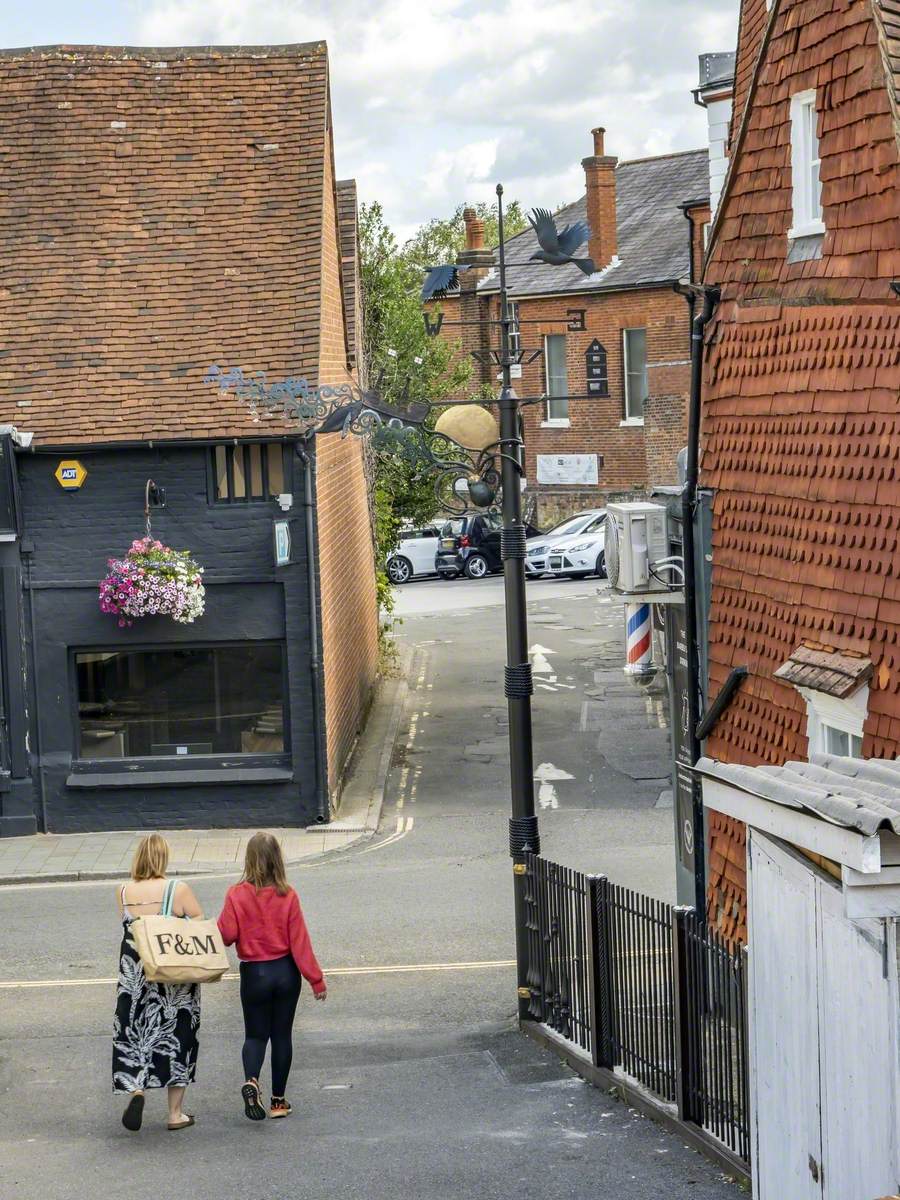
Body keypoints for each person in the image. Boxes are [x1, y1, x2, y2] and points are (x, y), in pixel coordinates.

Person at [218, 832, 327, 1120]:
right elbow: (300, 942)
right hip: (285, 972)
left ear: (249, 859)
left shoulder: (236, 894)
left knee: (255, 1036)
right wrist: (315, 979)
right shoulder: (287, 895)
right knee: (281, 1036)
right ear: (278, 859)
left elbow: (226, 935)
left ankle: (252, 1081)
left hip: (254, 973)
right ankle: (279, 1101)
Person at [113, 833, 204, 1132]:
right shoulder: (178, 889)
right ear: (163, 858)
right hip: (171, 980)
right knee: (177, 1037)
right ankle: (175, 1114)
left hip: (136, 979)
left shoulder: (124, 892)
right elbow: (198, 926)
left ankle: (137, 1090)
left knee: (135, 1035)